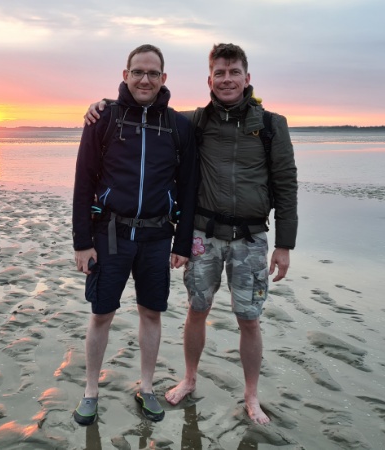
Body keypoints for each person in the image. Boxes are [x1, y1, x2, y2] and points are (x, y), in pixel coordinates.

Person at [84, 43, 298, 425]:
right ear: (209, 80)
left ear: (247, 78)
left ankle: (251, 397)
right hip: (205, 234)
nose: (227, 80)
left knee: (249, 318)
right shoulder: (195, 121)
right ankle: (188, 379)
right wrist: (104, 105)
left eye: (234, 73)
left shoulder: (270, 125)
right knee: (196, 310)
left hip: (251, 237)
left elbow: (286, 184)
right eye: (220, 73)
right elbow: (144, 106)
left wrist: (285, 244)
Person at [72, 44, 198, 425]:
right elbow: (83, 182)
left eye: (153, 73)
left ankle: (146, 387)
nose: (145, 79)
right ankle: (91, 391)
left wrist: (182, 243)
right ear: (125, 75)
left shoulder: (178, 126)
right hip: (110, 234)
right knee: (102, 314)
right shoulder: (104, 119)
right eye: (138, 72)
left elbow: (188, 188)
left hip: (157, 236)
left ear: (163, 78)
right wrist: (82, 242)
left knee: (151, 312)